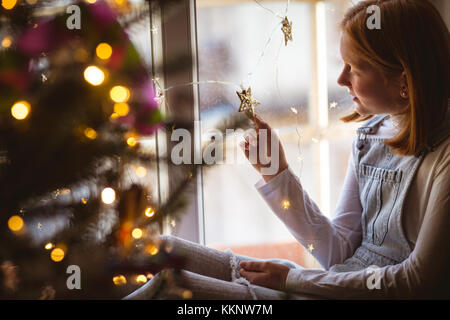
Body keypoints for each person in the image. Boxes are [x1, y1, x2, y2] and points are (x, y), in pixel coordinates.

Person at [125, 0, 449, 300]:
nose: (341, 78)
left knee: (170, 290)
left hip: (335, 292)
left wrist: (292, 280)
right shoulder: (370, 135)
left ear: (403, 80)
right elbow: (337, 254)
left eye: (355, 68)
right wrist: (277, 174)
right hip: (327, 285)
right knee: (160, 251)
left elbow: (416, 281)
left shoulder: (444, 157)